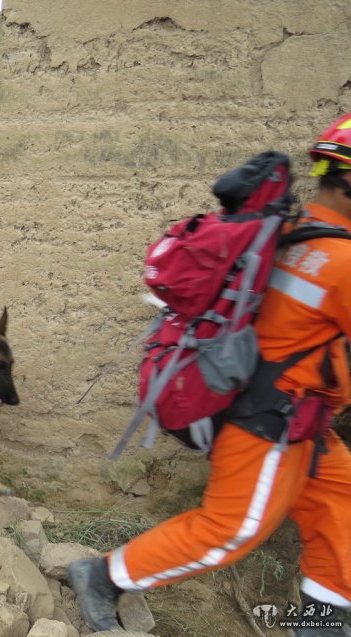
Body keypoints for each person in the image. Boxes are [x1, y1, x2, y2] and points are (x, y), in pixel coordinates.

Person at [67, 114, 351, 636]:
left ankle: (322, 622)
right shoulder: (340, 260)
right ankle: (105, 577)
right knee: (231, 530)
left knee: (341, 503)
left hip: (294, 417)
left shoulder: (287, 230)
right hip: (272, 424)